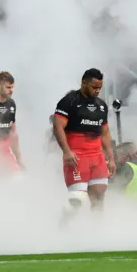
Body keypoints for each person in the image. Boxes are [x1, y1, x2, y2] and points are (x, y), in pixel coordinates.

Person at [53, 68, 116, 222]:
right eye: (94, 87)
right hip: (77, 156)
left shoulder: (102, 106)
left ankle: (96, 233)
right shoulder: (69, 101)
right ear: (83, 83)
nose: (97, 91)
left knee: (99, 197)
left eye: (100, 88)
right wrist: (67, 152)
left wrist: (111, 158)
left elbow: (105, 133)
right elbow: (57, 127)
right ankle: (62, 227)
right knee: (77, 199)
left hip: (97, 156)